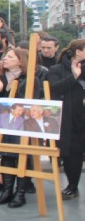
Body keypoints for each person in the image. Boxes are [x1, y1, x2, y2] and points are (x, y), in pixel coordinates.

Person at [0, 47, 43, 208]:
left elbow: (30, 103)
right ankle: (7, 190)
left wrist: (10, 91)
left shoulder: (31, 79)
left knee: (21, 157)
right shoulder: (2, 76)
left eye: (10, 56)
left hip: (22, 126)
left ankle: (20, 193)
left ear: (20, 60)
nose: (5, 59)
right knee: (6, 156)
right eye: (5, 56)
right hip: (3, 123)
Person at [48, 39, 85, 200]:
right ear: (78, 51)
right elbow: (54, 88)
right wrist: (74, 77)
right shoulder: (57, 69)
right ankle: (72, 185)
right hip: (68, 118)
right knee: (71, 154)